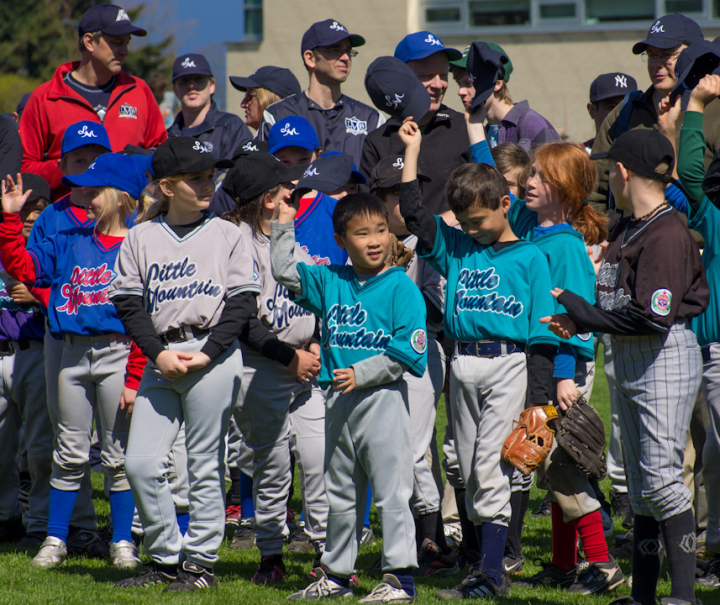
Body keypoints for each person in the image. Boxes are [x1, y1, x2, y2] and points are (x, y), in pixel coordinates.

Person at [542, 128, 709, 605]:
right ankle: (644, 597)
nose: (608, 174)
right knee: (638, 487)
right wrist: (579, 322)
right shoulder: (627, 226)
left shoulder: (667, 231)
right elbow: (619, 303)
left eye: (610, 167)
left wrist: (581, 311)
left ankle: (683, 596)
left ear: (623, 171)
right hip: (629, 351)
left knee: (660, 479)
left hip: (662, 352)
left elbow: (653, 317)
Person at [396, 118, 558, 599]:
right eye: (463, 223)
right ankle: (483, 564)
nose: (470, 229)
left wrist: (541, 400)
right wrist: (412, 152)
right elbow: (415, 215)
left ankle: (492, 572)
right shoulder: (459, 247)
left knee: (490, 468)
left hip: (508, 363)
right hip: (462, 363)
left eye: (478, 221)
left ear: (504, 204)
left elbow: (542, 336)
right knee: (466, 468)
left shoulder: (530, 258)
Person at [466, 118, 623, 592]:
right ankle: (561, 562)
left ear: (566, 189)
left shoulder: (567, 246)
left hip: (564, 367)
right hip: (542, 365)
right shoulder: (534, 233)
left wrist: (563, 377)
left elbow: (575, 328)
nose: (529, 182)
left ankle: (602, 564)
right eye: (530, 173)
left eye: (540, 176)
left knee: (563, 465)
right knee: (546, 465)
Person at [109, 137, 260, 592]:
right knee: (139, 463)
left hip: (211, 355)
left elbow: (242, 303)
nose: (207, 184)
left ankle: (199, 564)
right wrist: (157, 354)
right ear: (167, 187)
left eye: (210, 175)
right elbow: (129, 303)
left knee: (204, 465)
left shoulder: (229, 233)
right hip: (162, 357)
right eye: (195, 178)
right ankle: (165, 556)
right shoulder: (140, 236)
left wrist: (209, 352)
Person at [271, 192, 427, 602]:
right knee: (339, 491)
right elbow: (286, 272)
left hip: (382, 399)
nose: (374, 240)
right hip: (338, 401)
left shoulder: (401, 287)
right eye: (362, 234)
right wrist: (283, 225)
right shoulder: (331, 280)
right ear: (341, 239)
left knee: (393, 490)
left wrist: (363, 372)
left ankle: (400, 579)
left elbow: (409, 351)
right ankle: (338, 574)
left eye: (380, 230)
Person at [0, 154, 148, 570]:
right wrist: (10, 221)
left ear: (120, 198)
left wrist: (136, 374)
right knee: (69, 450)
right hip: (70, 352)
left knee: (118, 453)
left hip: (118, 351)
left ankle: (122, 541)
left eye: (94, 190)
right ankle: (55, 538)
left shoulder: (139, 243)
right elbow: (25, 270)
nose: (83, 195)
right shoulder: (72, 236)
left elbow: (144, 318)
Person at [221, 152, 329, 584]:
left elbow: (318, 301)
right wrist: (291, 357)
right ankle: (271, 556)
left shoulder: (292, 243)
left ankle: (327, 553)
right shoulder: (236, 244)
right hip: (262, 368)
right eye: (287, 188)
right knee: (271, 467)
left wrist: (317, 341)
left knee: (321, 460)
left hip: (306, 370)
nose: (294, 193)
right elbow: (242, 322)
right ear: (268, 199)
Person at [369, 155, 458, 576]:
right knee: (386, 450)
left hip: (422, 354)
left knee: (414, 448)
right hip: (372, 357)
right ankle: (419, 537)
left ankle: (431, 537)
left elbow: (439, 314)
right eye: (396, 192)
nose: (406, 199)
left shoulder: (428, 245)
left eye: (412, 190)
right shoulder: (364, 245)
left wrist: (398, 279)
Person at [660, 72, 720, 589]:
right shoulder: (713, 214)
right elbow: (688, 183)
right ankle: (715, 547)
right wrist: (685, 118)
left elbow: (694, 179)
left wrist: (694, 106)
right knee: (714, 449)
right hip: (710, 347)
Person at [19, 4, 167, 200]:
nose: (125, 51)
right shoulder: (45, 97)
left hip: (129, 220)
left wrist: (132, 163)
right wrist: (73, 166)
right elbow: (24, 170)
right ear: (89, 42)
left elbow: (162, 157)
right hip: (69, 221)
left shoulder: (139, 91)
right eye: (117, 42)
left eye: (127, 43)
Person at [589, 13, 720, 211]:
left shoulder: (715, 110)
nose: (656, 63)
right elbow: (596, 187)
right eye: (651, 55)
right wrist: (605, 232)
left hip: (697, 240)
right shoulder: (625, 111)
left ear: (695, 55)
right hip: (630, 239)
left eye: (667, 54)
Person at [361, 31, 468, 217]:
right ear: (401, 78)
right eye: (427, 75)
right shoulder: (377, 141)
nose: (438, 84)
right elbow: (368, 209)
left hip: (456, 242)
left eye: (443, 75)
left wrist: (445, 223)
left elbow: (487, 194)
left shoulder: (464, 128)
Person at [258, 19, 383, 167]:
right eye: (335, 50)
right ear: (310, 58)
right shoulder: (278, 115)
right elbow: (262, 176)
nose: (345, 58)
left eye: (348, 51)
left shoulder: (370, 119)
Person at [0, 175, 50, 544]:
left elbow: (71, 295)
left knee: (40, 447)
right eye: (24, 206)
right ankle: (6, 516)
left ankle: (41, 520)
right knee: (2, 447)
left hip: (36, 352)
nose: (31, 214)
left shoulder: (49, 248)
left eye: (38, 206)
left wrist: (38, 296)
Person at [458, 41, 560, 153]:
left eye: (469, 83)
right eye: (459, 84)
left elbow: (556, 169)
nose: (460, 91)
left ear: (497, 84)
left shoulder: (531, 125)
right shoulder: (481, 132)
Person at [168, 53, 253, 160]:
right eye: (183, 81)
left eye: (198, 79)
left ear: (212, 86)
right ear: (175, 89)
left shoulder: (231, 127)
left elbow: (242, 170)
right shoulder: (167, 138)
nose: (191, 86)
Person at [229, 66, 302, 132]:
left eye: (249, 96)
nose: (242, 104)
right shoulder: (256, 143)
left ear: (275, 102)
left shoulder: (294, 145)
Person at [584, 72, 638, 151]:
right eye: (612, 107)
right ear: (592, 110)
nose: (621, 113)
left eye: (627, 106)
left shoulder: (646, 154)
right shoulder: (578, 158)